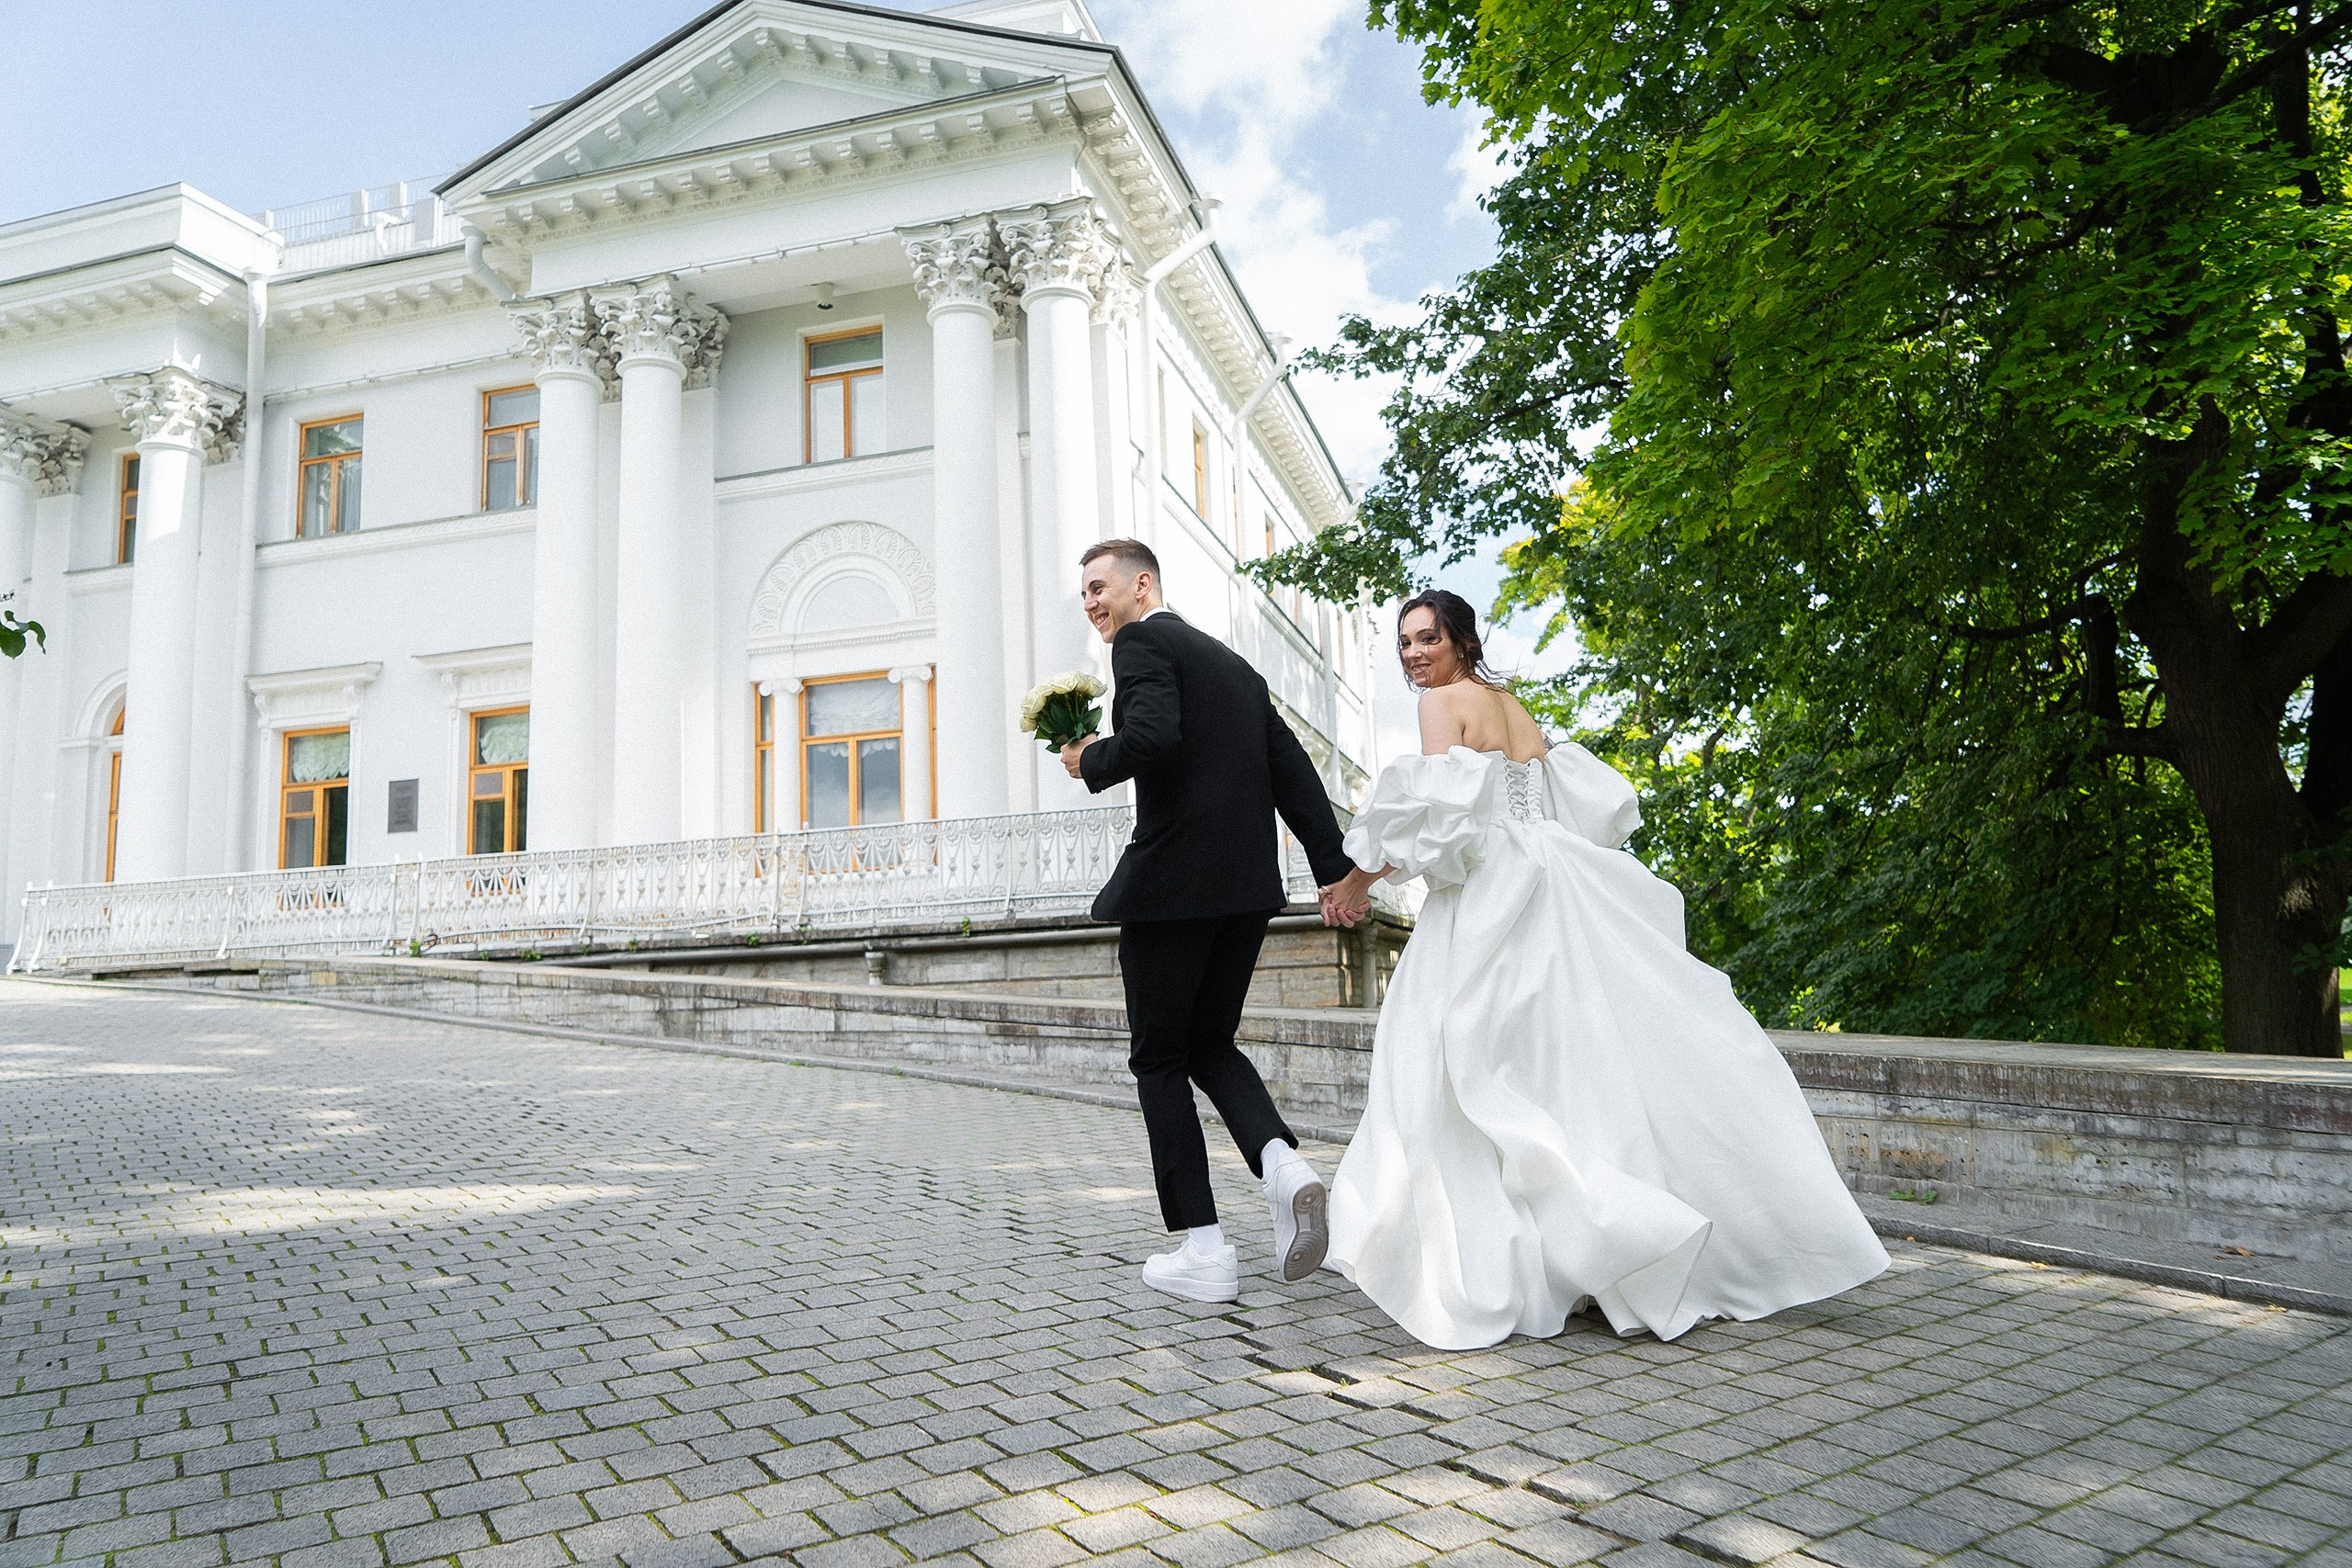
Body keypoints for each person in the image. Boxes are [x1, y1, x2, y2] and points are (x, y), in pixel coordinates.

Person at [1317, 589, 1887, 1348]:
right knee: (1570, 1063)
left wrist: (1360, 880)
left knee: (1465, 1062)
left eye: (1428, 637)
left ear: (1459, 639)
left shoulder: (1441, 705)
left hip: (1494, 889)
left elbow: (1440, 821)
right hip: (1553, 878)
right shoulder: (1511, 704)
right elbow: (1551, 802)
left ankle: (1557, 1247)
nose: (1414, 653)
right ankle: (1593, 1250)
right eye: (1405, 642)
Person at [1061, 538, 1359, 1303]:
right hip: (1247, 888)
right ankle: (1285, 1168)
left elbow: (1153, 736)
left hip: (1173, 889)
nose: (1092, 602)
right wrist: (1333, 868)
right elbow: (1291, 766)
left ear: (1142, 584)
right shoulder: (1233, 665)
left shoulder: (1142, 640)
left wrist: (1093, 757)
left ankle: (1204, 1247)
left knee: (1159, 1059)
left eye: (1100, 587)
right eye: (1084, 593)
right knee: (1209, 1044)